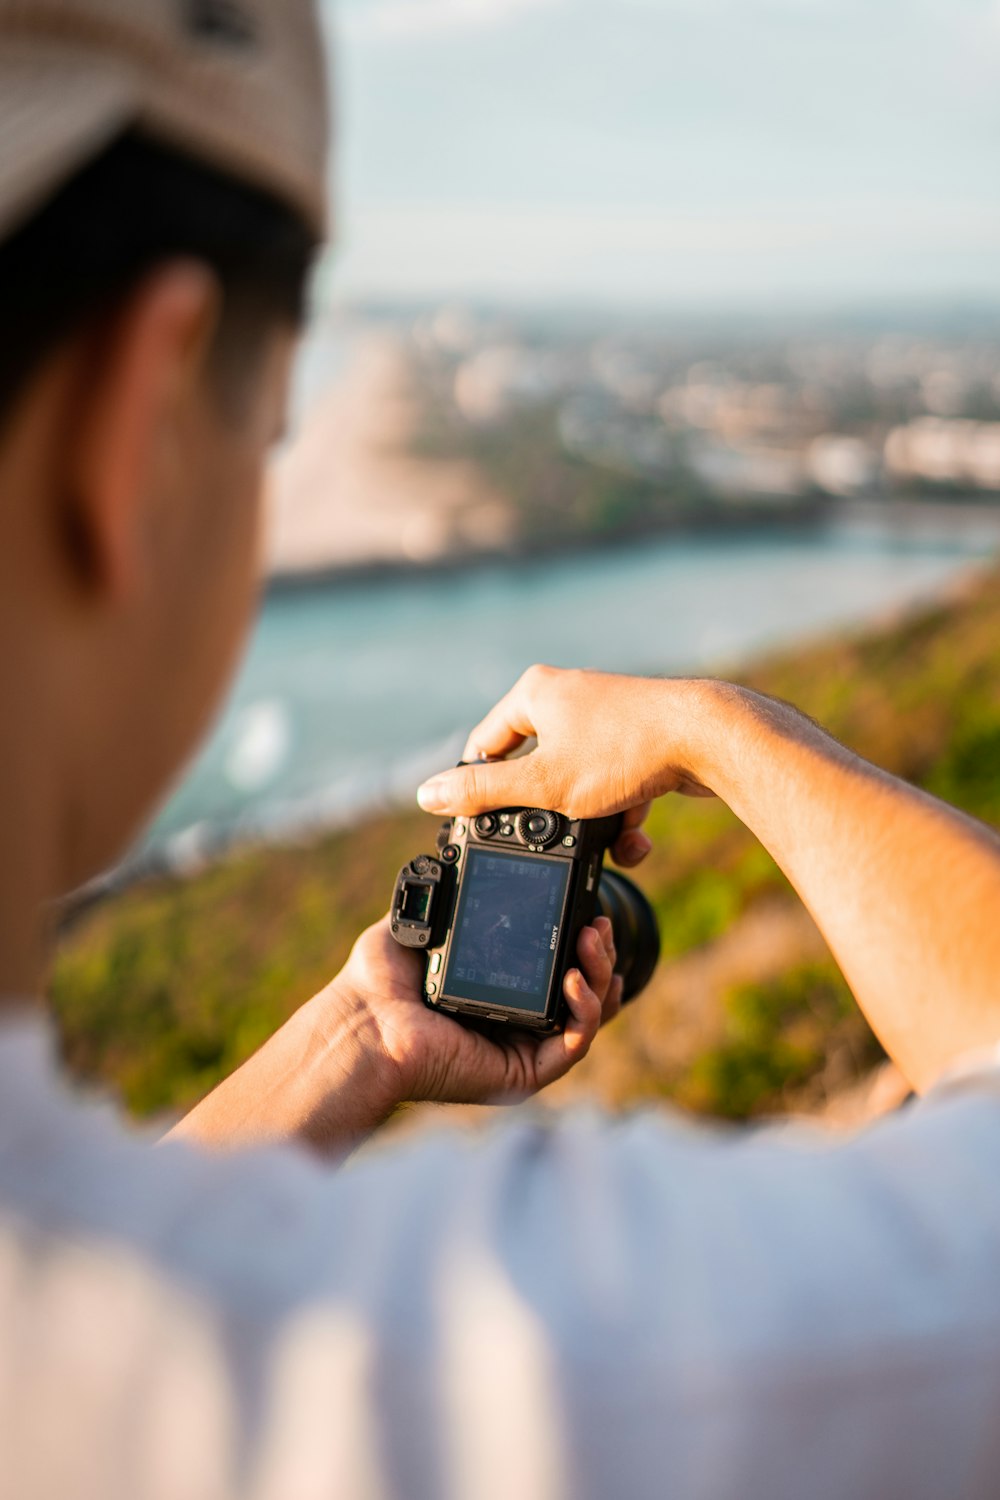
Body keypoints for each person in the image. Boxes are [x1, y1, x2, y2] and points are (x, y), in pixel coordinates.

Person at [1, 3, 1000, 1497]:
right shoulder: (512, 1377)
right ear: (133, 433)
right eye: (272, 433)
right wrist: (714, 732)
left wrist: (357, 1035)